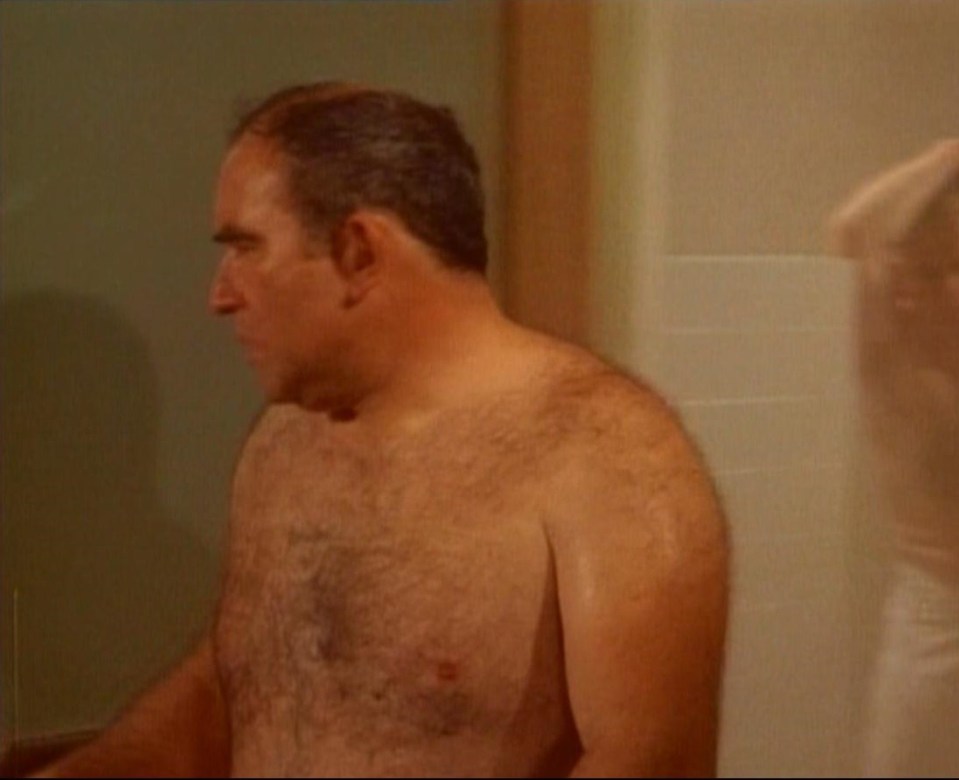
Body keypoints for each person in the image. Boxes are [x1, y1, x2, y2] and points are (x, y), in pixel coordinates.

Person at [38, 83, 730, 778]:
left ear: (359, 251)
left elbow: (653, 763)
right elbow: (229, 695)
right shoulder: (282, 442)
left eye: (247, 248)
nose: (220, 295)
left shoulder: (610, 457)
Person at [828, 139, 959, 777]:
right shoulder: (891, 356)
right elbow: (850, 231)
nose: (955, 291)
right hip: (938, 620)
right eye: (932, 274)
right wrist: (952, 156)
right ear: (905, 281)